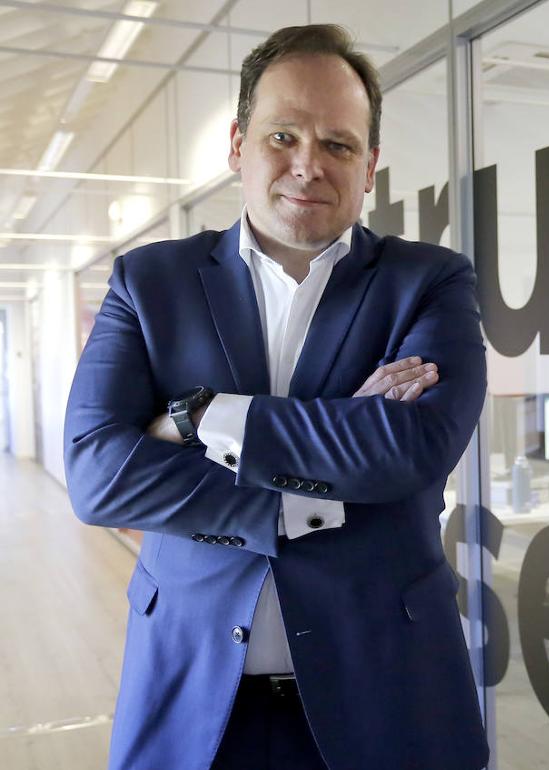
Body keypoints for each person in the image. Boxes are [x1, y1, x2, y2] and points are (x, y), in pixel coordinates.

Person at [63, 26, 487, 770]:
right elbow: (99, 477)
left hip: (386, 692)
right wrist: (325, 469)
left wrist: (199, 416)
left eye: (338, 144)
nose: (308, 164)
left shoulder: (429, 281)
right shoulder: (150, 282)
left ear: (369, 166)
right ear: (238, 145)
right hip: (194, 692)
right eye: (283, 135)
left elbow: (409, 450)